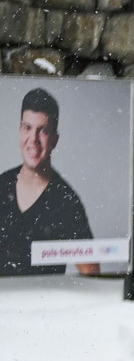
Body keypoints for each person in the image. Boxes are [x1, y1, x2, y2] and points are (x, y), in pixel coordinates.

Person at [0, 88, 97, 276]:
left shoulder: (67, 202)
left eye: (43, 130)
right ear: (20, 131)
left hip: (44, 304)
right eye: (27, 128)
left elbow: (91, 272)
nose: (33, 140)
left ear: (55, 139)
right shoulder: (1, 185)